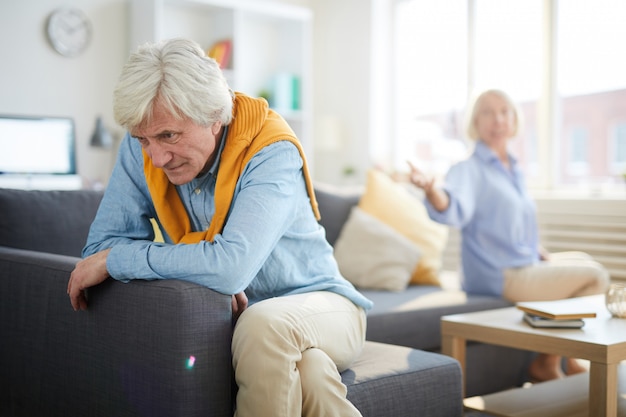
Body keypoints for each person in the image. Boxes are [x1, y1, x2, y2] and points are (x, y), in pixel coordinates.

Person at [67, 38, 372, 417]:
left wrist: (122, 259)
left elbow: (230, 268)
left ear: (215, 115)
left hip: (324, 305)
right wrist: (198, 276)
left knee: (263, 324)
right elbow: (100, 248)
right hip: (258, 333)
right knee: (311, 377)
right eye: (143, 139)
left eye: (169, 136)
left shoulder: (270, 149)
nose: (157, 157)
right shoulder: (141, 150)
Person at [408, 88, 609, 382]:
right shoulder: (469, 168)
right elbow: (453, 205)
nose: (497, 119)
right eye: (487, 112)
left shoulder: (512, 168)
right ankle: (549, 362)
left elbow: (512, 222)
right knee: (595, 276)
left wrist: (539, 253)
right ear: (475, 123)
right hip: (497, 273)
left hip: (522, 262)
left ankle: (564, 360)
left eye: (504, 112)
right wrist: (431, 190)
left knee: (582, 260)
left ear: (514, 120)